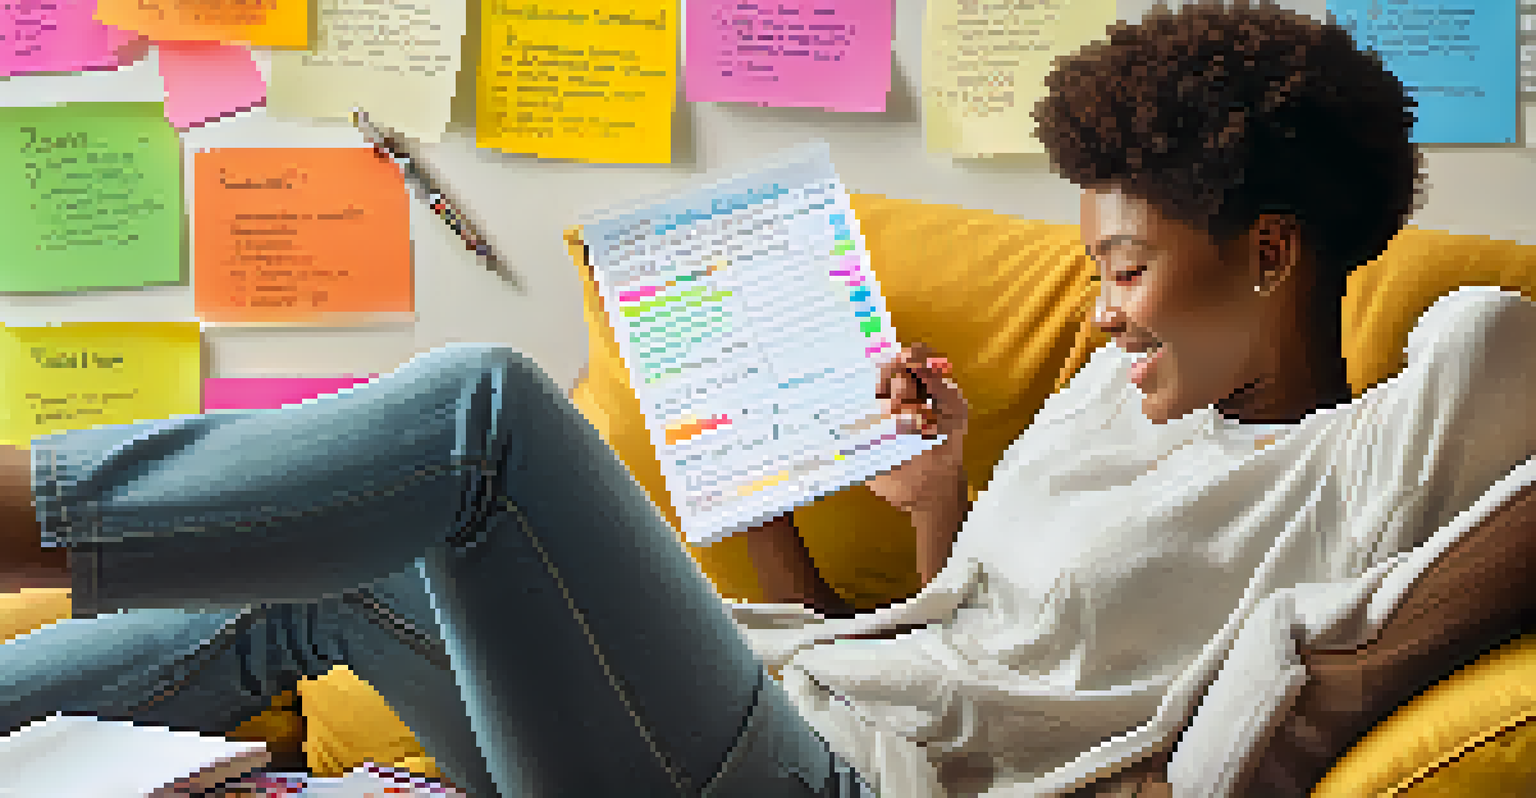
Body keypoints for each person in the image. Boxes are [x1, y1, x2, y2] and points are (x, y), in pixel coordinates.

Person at [0, 1, 1532, 796]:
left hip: (830, 785)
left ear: (1270, 249)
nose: (1098, 307)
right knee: (323, 583)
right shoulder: (1104, 407)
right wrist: (932, 506)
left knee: (484, 414)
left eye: (1126, 268)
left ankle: (22, 504)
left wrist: (1338, 672)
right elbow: (996, 658)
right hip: (775, 713)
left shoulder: (1388, 439)